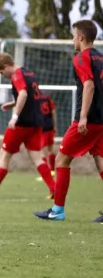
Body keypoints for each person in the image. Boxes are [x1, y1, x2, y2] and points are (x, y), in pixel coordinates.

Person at [35, 20, 103, 222]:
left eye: (74, 35)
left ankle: (57, 210)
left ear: (81, 37)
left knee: (62, 160)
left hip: (88, 120)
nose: (73, 39)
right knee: (100, 162)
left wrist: (83, 117)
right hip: (101, 120)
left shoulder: (82, 58)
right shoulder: (101, 57)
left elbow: (89, 85)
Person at [0, 53, 55, 198]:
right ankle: (54, 189)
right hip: (36, 122)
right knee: (36, 156)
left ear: (6, 66)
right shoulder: (29, 72)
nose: (2, 74)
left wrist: (15, 116)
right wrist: (12, 104)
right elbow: (31, 95)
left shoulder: (16, 75)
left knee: (4, 154)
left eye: (1, 71)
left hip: (22, 123)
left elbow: (23, 94)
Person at [36, 93, 57, 179]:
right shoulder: (47, 96)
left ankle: (46, 173)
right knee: (50, 149)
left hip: (42, 126)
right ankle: (52, 171)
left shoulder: (35, 97)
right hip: (50, 125)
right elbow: (53, 111)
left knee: (41, 151)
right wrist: (55, 125)